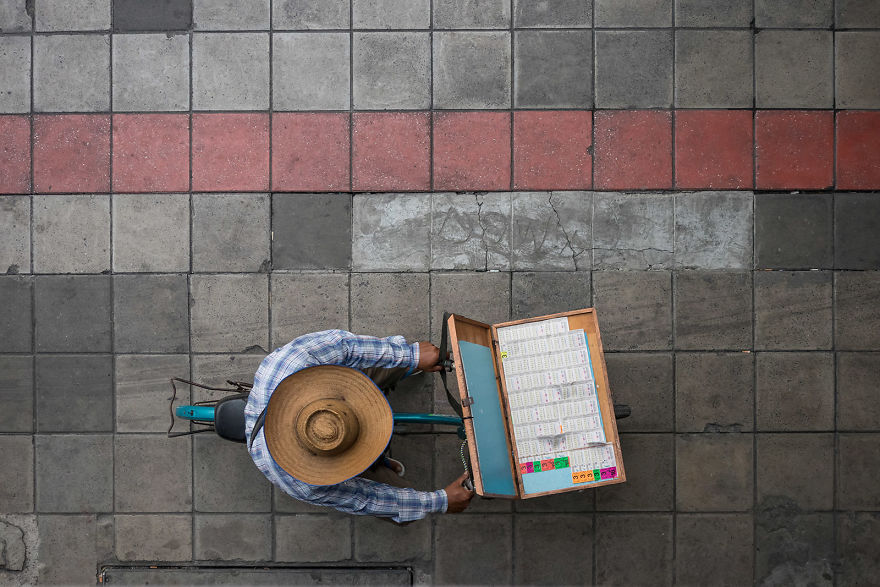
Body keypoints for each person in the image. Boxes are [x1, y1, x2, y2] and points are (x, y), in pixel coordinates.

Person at [245, 329, 475, 524]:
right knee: (403, 511)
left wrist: (410, 355)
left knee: (382, 361)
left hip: (333, 391)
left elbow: (347, 347)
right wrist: (440, 501)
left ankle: (404, 369)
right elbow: (366, 499)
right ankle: (370, 466)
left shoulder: (292, 364)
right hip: (324, 444)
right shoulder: (303, 484)